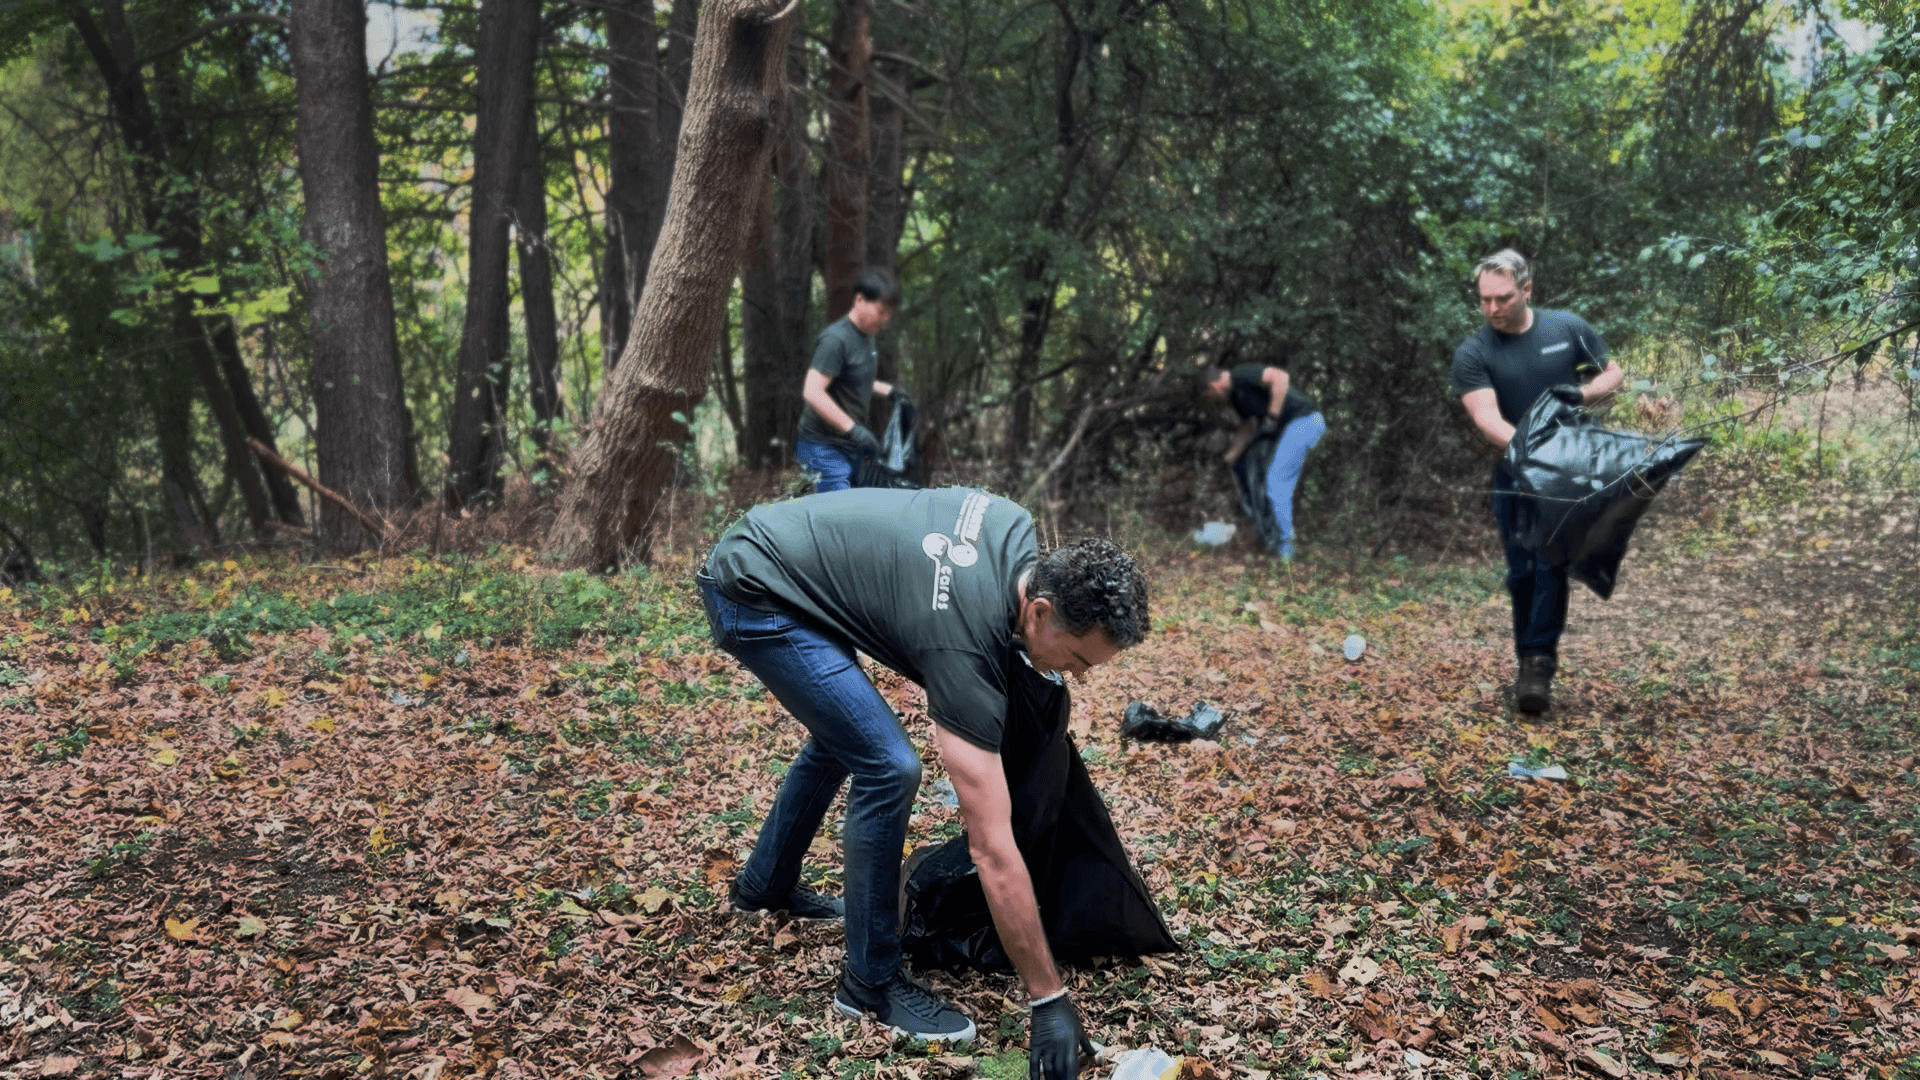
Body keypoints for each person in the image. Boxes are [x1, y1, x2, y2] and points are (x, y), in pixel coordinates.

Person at [698, 487, 1149, 1075]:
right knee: (888, 764)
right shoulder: (960, 641)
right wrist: (1048, 997)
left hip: (785, 559)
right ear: (1038, 611)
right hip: (754, 592)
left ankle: (764, 887)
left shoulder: (1013, 526)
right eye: (1079, 661)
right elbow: (991, 847)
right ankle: (869, 984)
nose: (1078, 677)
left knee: (846, 731)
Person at [1451, 248, 1624, 713]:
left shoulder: (1566, 328)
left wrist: (1582, 393)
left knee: (1550, 564)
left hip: (1570, 474)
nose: (1492, 309)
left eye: (1503, 298)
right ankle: (1531, 655)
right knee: (1521, 570)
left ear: (1527, 290)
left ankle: (1537, 667)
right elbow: (1487, 418)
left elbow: (1614, 374)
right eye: (1484, 300)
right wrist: (1532, 455)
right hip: (1514, 474)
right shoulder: (1475, 351)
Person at [1203, 360, 1326, 560]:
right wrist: (1231, 457)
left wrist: (1272, 417)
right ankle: (1272, 540)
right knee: (1261, 480)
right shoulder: (1235, 398)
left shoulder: (1241, 373)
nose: (1213, 402)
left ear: (1214, 385)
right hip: (1290, 430)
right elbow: (1248, 426)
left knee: (1277, 482)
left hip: (1305, 422)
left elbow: (1281, 378)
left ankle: (1286, 551)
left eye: (1210, 396)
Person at [795, 270, 905, 493]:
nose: (884, 320)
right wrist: (854, 429)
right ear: (859, 300)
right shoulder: (835, 340)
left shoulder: (867, 338)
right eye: (880, 312)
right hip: (821, 445)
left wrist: (890, 391)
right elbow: (812, 391)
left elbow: (854, 379)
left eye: (888, 315)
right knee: (840, 513)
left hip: (848, 446)